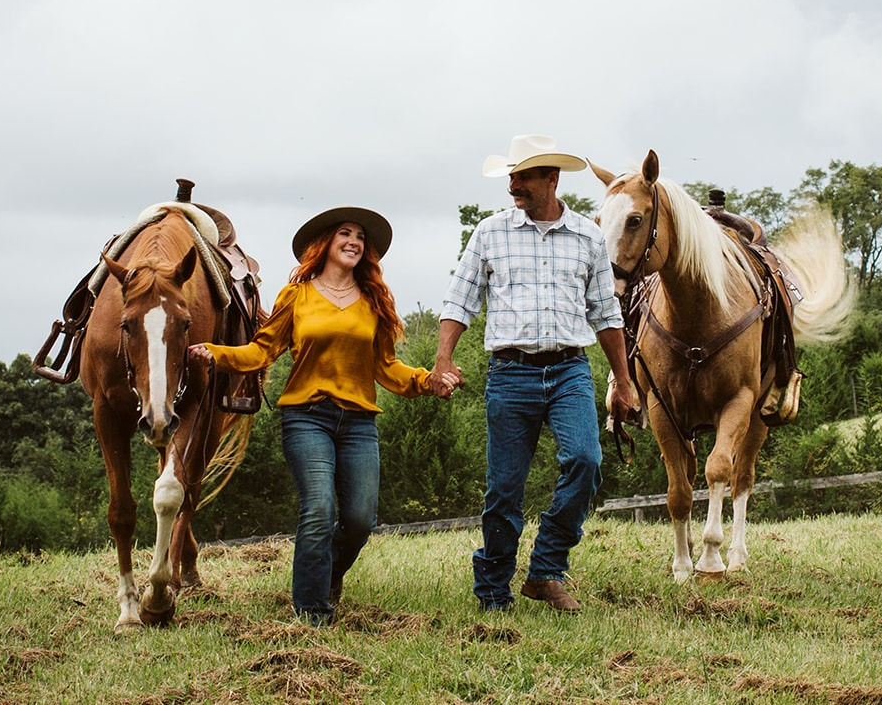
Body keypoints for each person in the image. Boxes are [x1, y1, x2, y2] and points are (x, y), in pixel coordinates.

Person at [190, 207, 458, 625]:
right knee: (318, 508)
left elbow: (388, 368)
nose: (354, 241)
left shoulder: (373, 303)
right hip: (306, 417)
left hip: (358, 424)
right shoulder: (296, 296)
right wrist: (216, 354)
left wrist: (430, 381)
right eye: (345, 234)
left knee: (360, 519)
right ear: (327, 244)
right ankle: (312, 611)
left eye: (360, 238)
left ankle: (327, 576)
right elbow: (261, 351)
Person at [434, 134, 639, 612]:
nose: (512, 185)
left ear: (552, 178)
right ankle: (493, 590)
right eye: (511, 175)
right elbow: (459, 300)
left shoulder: (588, 237)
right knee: (505, 487)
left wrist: (624, 381)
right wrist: (443, 358)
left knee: (586, 461)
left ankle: (545, 569)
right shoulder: (490, 233)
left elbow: (606, 315)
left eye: (522, 176)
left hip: (569, 370)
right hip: (510, 373)